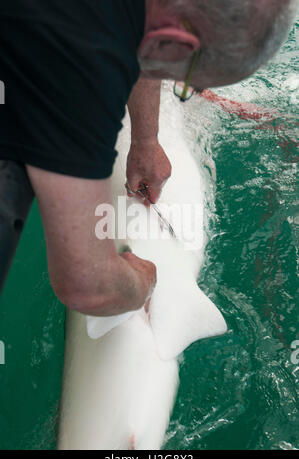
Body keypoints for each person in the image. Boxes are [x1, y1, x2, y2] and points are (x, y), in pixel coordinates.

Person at [0, 0, 296, 316]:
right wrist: (144, 280)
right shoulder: (84, 63)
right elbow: (88, 287)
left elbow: (136, 32)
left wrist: (145, 139)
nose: (182, 87)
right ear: (172, 43)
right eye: (187, 84)